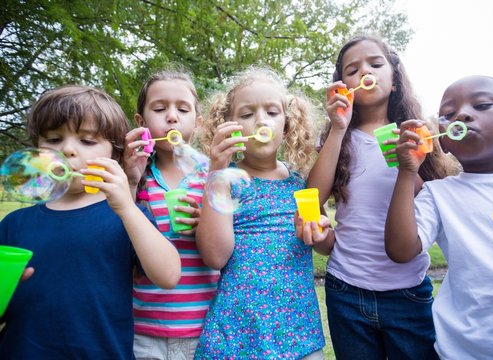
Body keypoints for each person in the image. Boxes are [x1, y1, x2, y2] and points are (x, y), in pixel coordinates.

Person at [0, 85, 181, 359]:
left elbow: (168, 276)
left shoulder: (125, 216)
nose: (68, 150)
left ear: (114, 155)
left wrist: (128, 209)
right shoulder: (15, 224)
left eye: (86, 140)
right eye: (53, 138)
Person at [308, 35, 456, 359]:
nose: (365, 72)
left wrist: (409, 164)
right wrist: (336, 128)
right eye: (352, 69)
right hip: (345, 289)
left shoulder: (416, 133)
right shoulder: (339, 137)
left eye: (375, 64)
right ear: (342, 86)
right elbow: (313, 197)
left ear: (393, 80)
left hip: (408, 292)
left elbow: (432, 196)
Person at [385, 75, 493, 358]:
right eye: (448, 114)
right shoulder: (438, 193)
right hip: (461, 350)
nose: (463, 114)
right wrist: (407, 171)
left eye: (481, 105)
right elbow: (401, 250)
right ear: (443, 142)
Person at [194, 67, 326, 359]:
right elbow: (215, 257)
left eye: (272, 112)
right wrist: (216, 171)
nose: (260, 121)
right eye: (246, 114)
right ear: (228, 125)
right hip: (238, 332)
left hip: (298, 332)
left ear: (288, 125)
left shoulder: (300, 184)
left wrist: (321, 228)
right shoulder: (224, 180)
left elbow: (326, 244)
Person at [123, 69, 220, 360]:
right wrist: (129, 179)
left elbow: (228, 248)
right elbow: (117, 236)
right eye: (160, 108)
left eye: (182, 108)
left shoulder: (214, 174)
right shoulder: (137, 175)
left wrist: (208, 224)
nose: (172, 116)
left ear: (198, 123)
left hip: (207, 326)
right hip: (144, 329)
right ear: (141, 122)